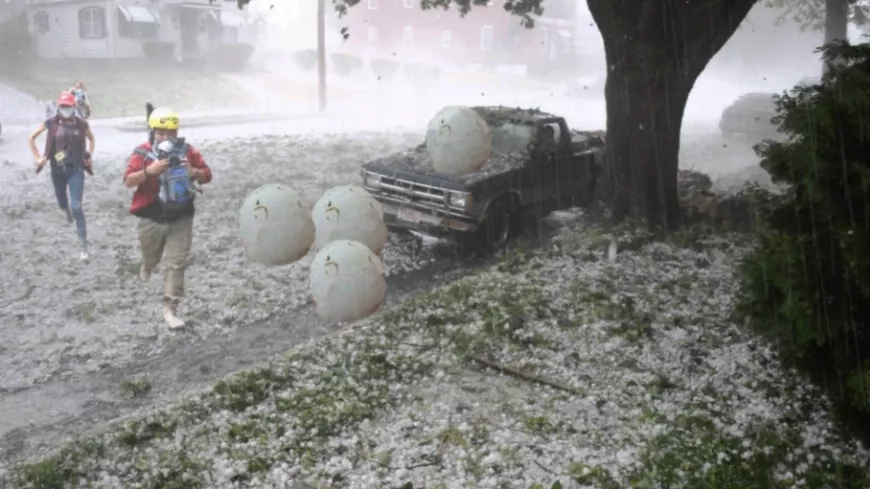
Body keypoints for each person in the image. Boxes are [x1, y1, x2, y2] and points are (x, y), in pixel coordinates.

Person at [123, 107, 213, 329]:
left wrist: (194, 172)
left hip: (181, 216)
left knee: (176, 263)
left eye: (169, 133)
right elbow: (128, 181)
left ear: (176, 132)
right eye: (160, 132)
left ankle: (171, 309)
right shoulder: (142, 154)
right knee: (151, 256)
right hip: (150, 216)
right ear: (152, 132)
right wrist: (149, 171)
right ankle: (147, 265)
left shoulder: (188, 151)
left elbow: (207, 175)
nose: (164, 137)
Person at [28, 91, 95, 262]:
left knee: (77, 207)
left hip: (76, 170)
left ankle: (83, 247)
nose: (65, 109)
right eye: (62, 106)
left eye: (68, 106)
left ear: (74, 106)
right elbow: (31, 138)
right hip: (57, 170)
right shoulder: (51, 123)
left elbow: (92, 139)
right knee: (62, 202)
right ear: (58, 107)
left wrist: (89, 156)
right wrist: (39, 158)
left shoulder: (81, 124)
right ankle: (65, 211)